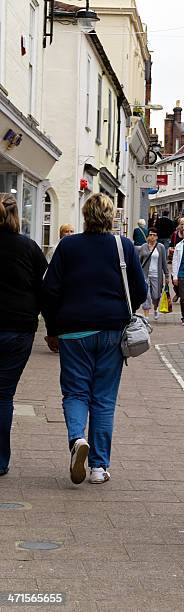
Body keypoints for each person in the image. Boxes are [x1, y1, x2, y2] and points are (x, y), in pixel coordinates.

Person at [42, 194, 147, 485]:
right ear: (111, 217)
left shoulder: (68, 246)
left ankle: (77, 439)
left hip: (74, 332)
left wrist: (52, 328)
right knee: (103, 398)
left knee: (75, 392)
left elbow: (49, 290)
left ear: (86, 216)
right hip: (112, 332)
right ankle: (99, 467)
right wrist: (123, 312)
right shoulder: (122, 245)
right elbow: (139, 289)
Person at [0, 194, 48, 477]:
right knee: (4, 395)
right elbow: (45, 289)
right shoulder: (29, 248)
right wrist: (53, 329)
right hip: (18, 328)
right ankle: (0, 459)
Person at [138, 227, 169, 321]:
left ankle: (155, 309)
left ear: (157, 237)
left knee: (156, 295)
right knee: (146, 294)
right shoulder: (143, 247)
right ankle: (146, 315)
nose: (152, 237)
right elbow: (139, 262)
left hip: (157, 274)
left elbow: (164, 262)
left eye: (154, 235)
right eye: (150, 235)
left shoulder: (161, 247)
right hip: (145, 274)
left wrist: (167, 275)